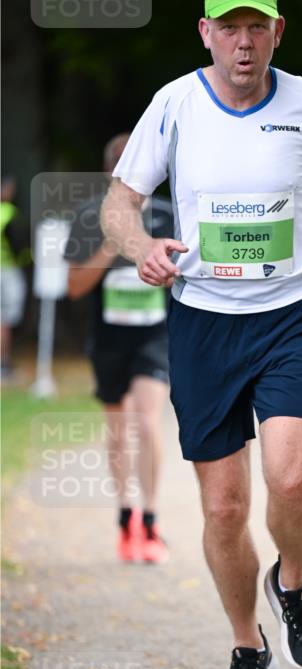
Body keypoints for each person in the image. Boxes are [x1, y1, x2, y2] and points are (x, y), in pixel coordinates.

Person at [101, 0, 302, 669]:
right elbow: (119, 205)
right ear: (206, 33)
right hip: (202, 323)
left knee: (289, 481)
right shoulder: (175, 105)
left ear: (277, 33)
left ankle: (291, 584)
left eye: (257, 27)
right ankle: (247, 648)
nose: (244, 41)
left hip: (287, 313)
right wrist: (141, 249)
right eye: (230, 27)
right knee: (223, 508)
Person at [65, 134, 173, 563]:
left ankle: (150, 519)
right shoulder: (89, 217)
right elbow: (74, 287)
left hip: (155, 335)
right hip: (109, 338)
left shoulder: (168, 214)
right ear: (111, 175)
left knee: (146, 421)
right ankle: (124, 516)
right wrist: (113, 244)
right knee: (118, 429)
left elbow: (182, 277)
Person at [0, 177, 28, 382]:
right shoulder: (10, 213)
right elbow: (20, 246)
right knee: (5, 319)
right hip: (7, 270)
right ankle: (4, 363)